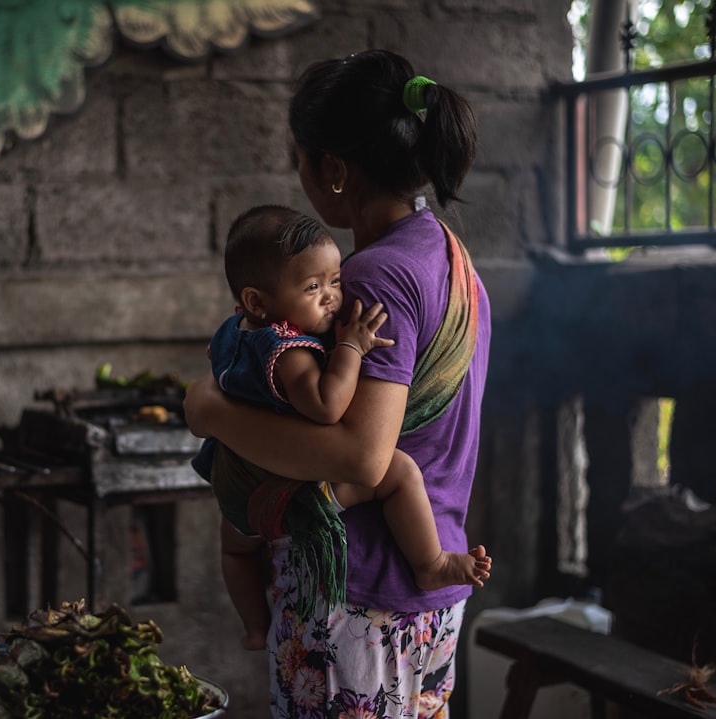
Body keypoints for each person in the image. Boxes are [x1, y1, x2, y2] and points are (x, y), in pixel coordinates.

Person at [183, 49, 492, 717]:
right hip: (426, 585)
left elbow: (361, 455)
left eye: (301, 158)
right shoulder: (449, 255)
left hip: (359, 598)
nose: (300, 176)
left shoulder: (377, 276)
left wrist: (210, 410)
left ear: (334, 170)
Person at [193, 204, 489, 652]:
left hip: (240, 485)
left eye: (335, 281)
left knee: (235, 550)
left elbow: (217, 386)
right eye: (313, 287)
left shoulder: (234, 331)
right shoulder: (288, 351)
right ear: (258, 301)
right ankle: (429, 560)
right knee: (401, 473)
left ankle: (253, 626)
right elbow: (327, 407)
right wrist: (350, 346)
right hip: (288, 491)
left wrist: (205, 406)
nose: (333, 296)